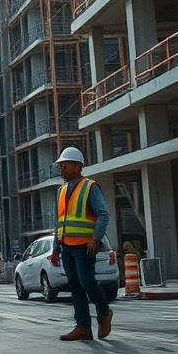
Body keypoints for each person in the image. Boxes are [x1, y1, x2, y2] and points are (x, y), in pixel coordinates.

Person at [49, 146, 113, 341]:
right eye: (60, 165)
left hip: (85, 246)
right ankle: (83, 326)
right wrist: (55, 248)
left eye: (65, 165)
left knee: (87, 282)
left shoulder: (90, 187)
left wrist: (96, 239)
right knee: (75, 285)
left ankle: (104, 311)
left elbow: (103, 214)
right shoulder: (61, 191)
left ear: (77, 166)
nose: (61, 168)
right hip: (66, 246)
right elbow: (59, 223)